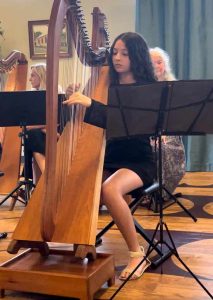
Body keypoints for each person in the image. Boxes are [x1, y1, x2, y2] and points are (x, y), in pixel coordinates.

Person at [64, 32, 156, 281]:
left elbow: (125, 123)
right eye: (114, 52)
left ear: (136, 56)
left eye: (124, 53)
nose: (117, 58)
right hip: (111, 156)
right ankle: (83, 239)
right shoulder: (106, 83)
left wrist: (90, 104)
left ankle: (137, 254)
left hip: (138, 160)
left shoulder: (146, 88)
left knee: (110, 189)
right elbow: (88, 117)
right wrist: (76, 94)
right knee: (79, 180)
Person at [149, 47, 186, 195]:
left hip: (169, 132)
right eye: (152, 63)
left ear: (165, 65)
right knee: (151, 148)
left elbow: (177, 116)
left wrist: (164, 132)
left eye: (159, 62)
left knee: (163, 148)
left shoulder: (173, 85)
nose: (156, 66)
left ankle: (163, 192)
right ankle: (146, 194)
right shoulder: (140, 85)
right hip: (145, 132)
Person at [25, 63, 47, 184]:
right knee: (32, 134)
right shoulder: (31, 95)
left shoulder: (56, 92)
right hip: (43, 134)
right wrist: (45, 128)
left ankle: (44, 178)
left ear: (41, 76)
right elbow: (27, 125)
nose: (30, 79)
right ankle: (46, 175)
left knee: (32, 136)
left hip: (56, 134)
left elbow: (58, 122)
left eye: (33, 75)